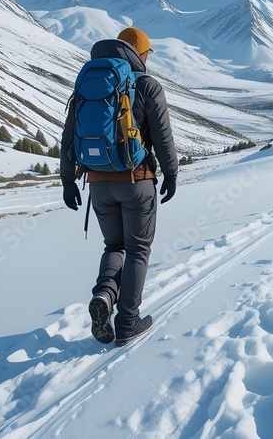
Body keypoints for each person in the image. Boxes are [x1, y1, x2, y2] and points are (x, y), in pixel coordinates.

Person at [60, 27, 178, 346]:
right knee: (138, 249)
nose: (147, 59)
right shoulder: (147, 86)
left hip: (98, 184)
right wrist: (172, 174)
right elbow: (163, 138)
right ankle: (127, 322)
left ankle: (104, 295)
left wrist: (68, 181)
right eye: (147, 54)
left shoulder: (89, 80)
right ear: (139, 53)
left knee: (114, 246)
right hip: (137, 181)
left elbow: (68, 137)